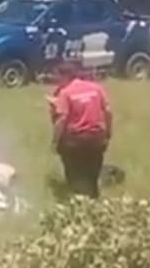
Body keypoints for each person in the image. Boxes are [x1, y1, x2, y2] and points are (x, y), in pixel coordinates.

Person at [48, 61, 112, 198]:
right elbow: (108, 111)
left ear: (65, 76)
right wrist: (108, 133)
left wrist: (55, 141)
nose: (57, 82)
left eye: (58, 78)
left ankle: (78, 199)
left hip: (75, 141)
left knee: (75, 174)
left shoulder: (65, 93)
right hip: (96, 138)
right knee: (92, 174)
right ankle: (93, 197)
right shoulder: (96, 88)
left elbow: (62, 119)